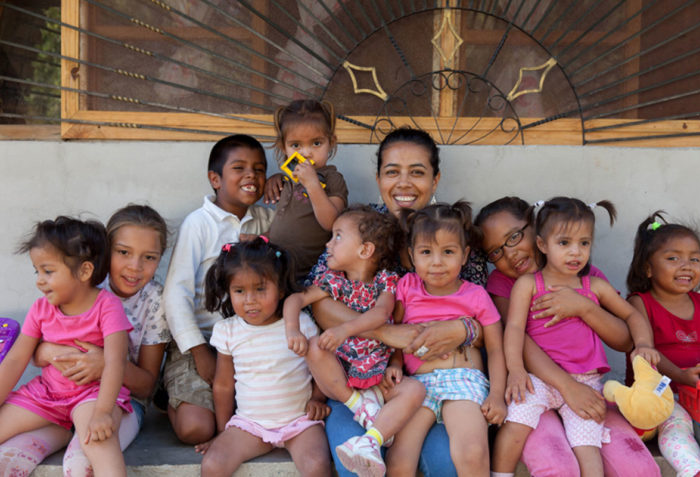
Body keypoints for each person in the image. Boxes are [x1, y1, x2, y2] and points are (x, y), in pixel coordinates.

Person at [298, 127, 486, 477]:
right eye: (392, 171)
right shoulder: (358, 226)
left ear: (435, 178)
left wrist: (462, 329)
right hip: (356, 383)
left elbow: (482, 316)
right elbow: (319, 304)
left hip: (428, 386)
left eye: (417, 172)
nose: (404, 183)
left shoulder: (450, 230)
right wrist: (388, 334)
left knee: (445, 465)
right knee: (356, 469)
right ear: (378, 177)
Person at [475, 196, 661, 477]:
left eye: (514, 237)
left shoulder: (591, 283)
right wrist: (522, 372)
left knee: (594, 446)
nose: (509, 253)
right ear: (543, 242)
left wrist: (584, 307)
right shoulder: (518, 284)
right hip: (537, 380)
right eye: (495, 252)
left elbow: (625, 336)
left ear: (534, 231)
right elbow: (514, 333)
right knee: (538, 445)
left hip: (585, 381)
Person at [8, 204, 171, 476]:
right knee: (10, 456)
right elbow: (28, 354)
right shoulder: (75, 286)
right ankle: (61, 430)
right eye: (123, 252)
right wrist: (48, 351)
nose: (135, 266)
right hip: (55, 395)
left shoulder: (152, 301)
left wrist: (104, 363)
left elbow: (145, 386)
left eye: (149, 257)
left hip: (115, 401)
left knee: (83, 461)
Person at [283, 205, 424, 476]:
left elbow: (381, 314)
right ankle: (358, 407)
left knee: (415, 391)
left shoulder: (386, 281)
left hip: (379, 375)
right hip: (344, 378)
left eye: (337, 236)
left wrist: (346, 329)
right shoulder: (332, 281)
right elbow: (296, 298)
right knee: (314, 347)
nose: (328, 243)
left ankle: (372, 439)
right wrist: (292, 329)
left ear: (365, 251)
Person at [163, 134, 274, 444]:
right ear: (215, 179)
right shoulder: (199, 224)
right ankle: (168, 397)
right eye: (239, 168)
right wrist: (199, 350)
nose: (251, 175)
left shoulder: (268, 220)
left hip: (251, 343)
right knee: (197, 429)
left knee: (260, 417)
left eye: (260, 169)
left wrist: (284, 187)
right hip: (203, 343)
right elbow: (175, 294)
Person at [0, 217, 132, 477]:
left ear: (84, 272)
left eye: (48, 271)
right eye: (36, 271)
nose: (39, 280)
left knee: (99, 442)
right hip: (46, 394)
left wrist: (104, 412)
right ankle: (59, 428)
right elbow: (16, 360)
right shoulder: (40, 309)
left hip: (92, 395)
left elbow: (115, 362)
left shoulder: (107, 306)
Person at [386, 201, 506, 477]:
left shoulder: (476, 294)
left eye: (448, 252)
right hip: (417, 386)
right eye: (426, 252)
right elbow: (396, 330)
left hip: (463, 380)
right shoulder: (406, 288)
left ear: (464, 256)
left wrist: (497, 395)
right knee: (399, 460)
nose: (437, 262)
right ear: (412, 255)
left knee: (472, 451)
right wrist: (394, 363)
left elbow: (496, 348)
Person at [195, 238, 331, 477]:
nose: (250, 300)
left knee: (316, 465)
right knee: (213, 464)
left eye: (260, 289)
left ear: (280, 289)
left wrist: (318, 398)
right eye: (239, 291)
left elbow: (319, 368)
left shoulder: (300, 324)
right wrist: (223, 432)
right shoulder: (228, 331)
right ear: (229, 292)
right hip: (250, 425)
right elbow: (224, 385)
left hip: (299, 423)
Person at [627, 211, 700, 477]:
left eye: (694, 259)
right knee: (677, 425)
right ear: (648, 268)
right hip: (660, 395)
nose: (686, 266)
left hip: (699, 392)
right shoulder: (639, 303)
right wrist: (680, 376)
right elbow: (648, 354)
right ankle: (692, 470)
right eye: (673, 258)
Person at [267, 99, 348, 282]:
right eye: (296, 145)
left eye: (316, 143)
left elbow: (332, 223)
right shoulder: (287, 178)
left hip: (312, 272)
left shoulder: (332, 178)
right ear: (283, 147)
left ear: (331, 142)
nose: (306, 153)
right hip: (278, 268)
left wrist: (312, 185)